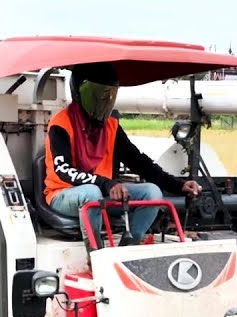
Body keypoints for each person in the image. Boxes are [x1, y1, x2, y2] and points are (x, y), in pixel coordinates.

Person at [44, 62, 201, 245]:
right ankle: (95, 252)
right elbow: (63, 169)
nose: (104, 101)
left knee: (152, 192)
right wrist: (106, 184)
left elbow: (139, 162)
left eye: (109, 95)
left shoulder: (111, 126)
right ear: (80, 92)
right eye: (98, 95)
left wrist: (177, 185)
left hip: (102, 192)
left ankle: (129, 247)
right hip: (63, 194)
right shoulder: (61, 123)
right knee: (92, 194)